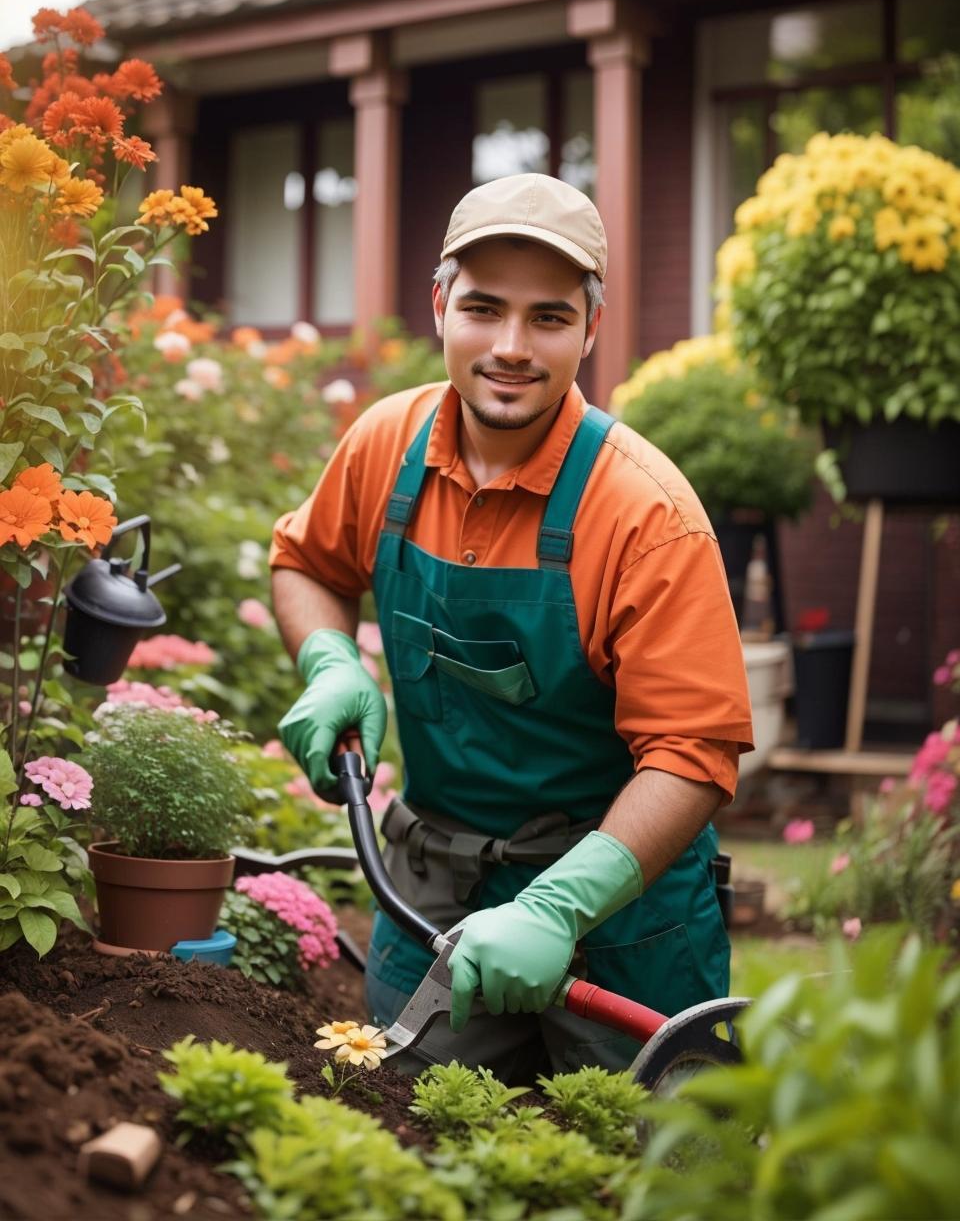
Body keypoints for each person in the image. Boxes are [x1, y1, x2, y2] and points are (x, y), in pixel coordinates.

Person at [270, 172, 754, 1081]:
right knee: (405, 1136)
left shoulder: (645, 513)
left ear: (590, 329)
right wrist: (333, 662)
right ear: (440, 304)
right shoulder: (386, 446)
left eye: (548, 319)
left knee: (653, 1166)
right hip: (435, 897)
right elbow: (306, 563)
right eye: (484, 309)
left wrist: (558, 909)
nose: (510, 348)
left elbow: (692, 752)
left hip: (623, 913)